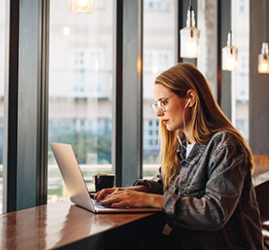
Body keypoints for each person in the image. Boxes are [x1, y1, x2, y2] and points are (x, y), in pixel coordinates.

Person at [94, 62, 264, 249]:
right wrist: (134, 192)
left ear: (190, 98)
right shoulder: (184, 145)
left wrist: (149, 200)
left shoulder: (225, 145)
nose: (159, 112)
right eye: (157, 105)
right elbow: (167, 181)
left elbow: (214, 212)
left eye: (164, 102)